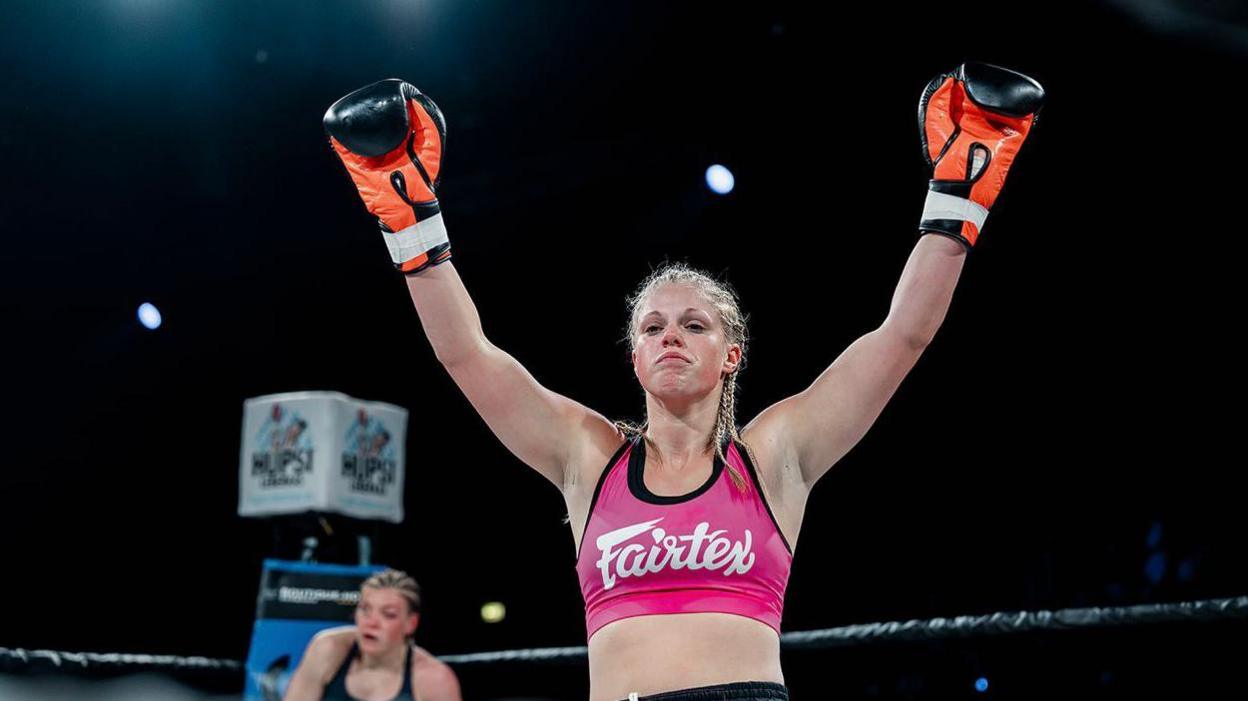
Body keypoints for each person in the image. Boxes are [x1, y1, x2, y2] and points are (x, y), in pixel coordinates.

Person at [322, 63, 1044, 701]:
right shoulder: (587, 457)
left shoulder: (775, 455)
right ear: (633, 357)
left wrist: (959, 200)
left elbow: (901, 337)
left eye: (694, 325)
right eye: (653, 327)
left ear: (732, 355)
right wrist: (409, 225)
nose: (670, 335)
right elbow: (467, 356)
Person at [283, 569, 461, 701]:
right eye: (365, 610)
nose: (371, 623)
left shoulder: (433, 679)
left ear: (410, 623)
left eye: (388, 614)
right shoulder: (328, 649)